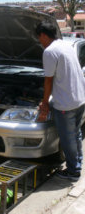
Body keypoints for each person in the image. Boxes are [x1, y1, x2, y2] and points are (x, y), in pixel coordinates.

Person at [35, 21, 85, 181]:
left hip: (66, 103)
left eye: (39, 38)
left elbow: (48, 81)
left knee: (67, 138)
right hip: (79, 99)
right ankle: (77, 164)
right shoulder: (65, 46)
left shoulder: (50, 51)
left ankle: (72, 171)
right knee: (76, 134)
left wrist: (44, 104)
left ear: (43, 35)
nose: (39, 42)